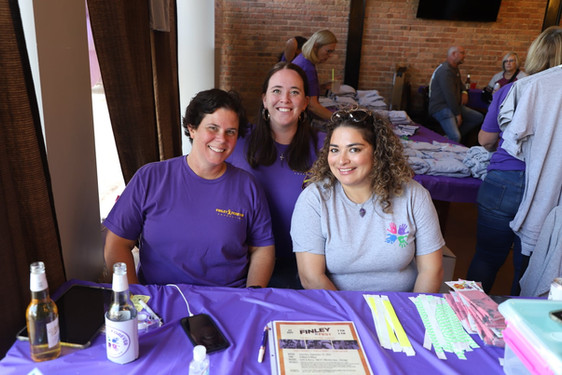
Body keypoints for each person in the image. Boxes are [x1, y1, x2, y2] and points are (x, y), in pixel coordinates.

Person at [103, 89, 275, 287]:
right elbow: (117, 243)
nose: (222, 139)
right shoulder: (150, 177)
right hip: (159, 300)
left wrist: (250, 297)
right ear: (192, 128)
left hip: (228, 300)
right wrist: (136, 299)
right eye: (213, 128)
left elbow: (262, 248)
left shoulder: (248, 186)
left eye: (231, 132)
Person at [291, 108, 445, 293]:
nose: (342, 160)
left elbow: (431, 270)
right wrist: (354, 315)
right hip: (339, 309)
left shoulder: (414, 195)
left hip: (402, 305)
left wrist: (413, 313)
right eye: (335, 150)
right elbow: (311, 278)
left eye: (354, 149)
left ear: (378, 152)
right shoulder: (314, 199)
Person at [467, 27, 562, 296]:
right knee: (530, 266)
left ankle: (461, 318)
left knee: (485, 258)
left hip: (503, 182)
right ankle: (518, 329)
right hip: (547, 186)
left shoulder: (514, 89)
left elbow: (485, 139)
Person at [229, 62, 325, 288]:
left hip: (307, 264)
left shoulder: (325, 146)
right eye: (276, 91)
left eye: (294, 92)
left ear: (305, 102)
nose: (285, 99)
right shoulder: (237, 141)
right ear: (264, 99)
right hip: (246, 262)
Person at [428, 46, 484, 144]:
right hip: (441, 107)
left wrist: (464, 92)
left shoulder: (454, 68)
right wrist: (457, 114)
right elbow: (449, 96)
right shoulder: (445, 71)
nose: (464, 56)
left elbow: (461, 84)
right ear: (454, 54)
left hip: (452, 106)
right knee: (456, 136)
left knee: (478, 117)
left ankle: (448, 138)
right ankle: (451, 139)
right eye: (462, 53)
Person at [292, 29, 337, 122]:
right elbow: (313, 106)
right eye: (328, 51)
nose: (330, 55)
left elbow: (304, 90)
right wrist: (341, 120)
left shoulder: (303, 59)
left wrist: (322, 87)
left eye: (332, 52)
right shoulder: (307, 67)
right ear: (316, 46)